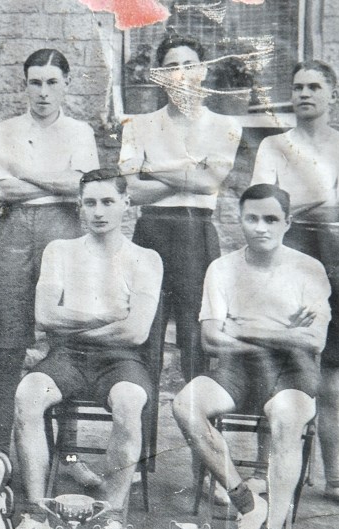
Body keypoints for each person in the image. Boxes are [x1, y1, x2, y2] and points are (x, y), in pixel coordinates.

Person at [172, 184, 331, 529]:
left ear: (287, 223)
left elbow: (314, 342)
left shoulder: (308, 269)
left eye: (271, 219)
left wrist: (243, 326)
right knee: (186, 404)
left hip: (292, 371)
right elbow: (211, 339)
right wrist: (282, 333)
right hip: (238, 368)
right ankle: (247, 504)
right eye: (252, 218)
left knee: (286, 417)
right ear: (240, 220)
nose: (261, 227)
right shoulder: (222, 268)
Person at [8, 170, 162, 529]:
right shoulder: (60, 251)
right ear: (79, 206)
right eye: (90, 202)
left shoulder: (145, 258)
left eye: (108, 201)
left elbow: (136, 333)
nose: (99, 211)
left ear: (126, 203)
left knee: (129, 400)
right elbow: (44, 315)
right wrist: (107, 317)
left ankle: (111, 520)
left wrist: (74, 321)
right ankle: (36, 514)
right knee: (28, 393)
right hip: (67, 356)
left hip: (121, 360)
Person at [251, 61, 339, 512]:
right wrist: (321, 198)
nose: (305, 93)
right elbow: (261, 208)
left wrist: (290, 206)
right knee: (274, 365)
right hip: (281, 260)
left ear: (332, 94)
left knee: (330, 375)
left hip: (330, 256)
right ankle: (262, 472)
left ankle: (336, 479)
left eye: (315, 86)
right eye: (298, 87)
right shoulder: (273, 145)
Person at [0, 48, 100, 451]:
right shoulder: (3, 132)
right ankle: (0, 449)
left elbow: (80, 185)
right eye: (35, 82)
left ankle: (68, 452)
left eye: (52, 82)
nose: (43, 92)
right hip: (13, 229)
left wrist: (25, 173)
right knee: (10, 339)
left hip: (63, 228)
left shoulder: (80, 133)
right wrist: (55, 181)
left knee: (65, 337)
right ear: (25, 84)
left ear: (66, 84)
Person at [118, 33, 242, 383]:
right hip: (151, 231)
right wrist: (190, 170)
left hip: (196, 232)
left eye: (189, 65)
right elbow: (131, 190)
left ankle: (195, 414)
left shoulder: (225, 126)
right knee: (146, 331)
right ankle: (143, 419)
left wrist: (152, 167)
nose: (181, 74)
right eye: (171, 67)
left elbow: (209, 182)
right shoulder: (137, 126)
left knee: (194, 335)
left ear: (203, 71)